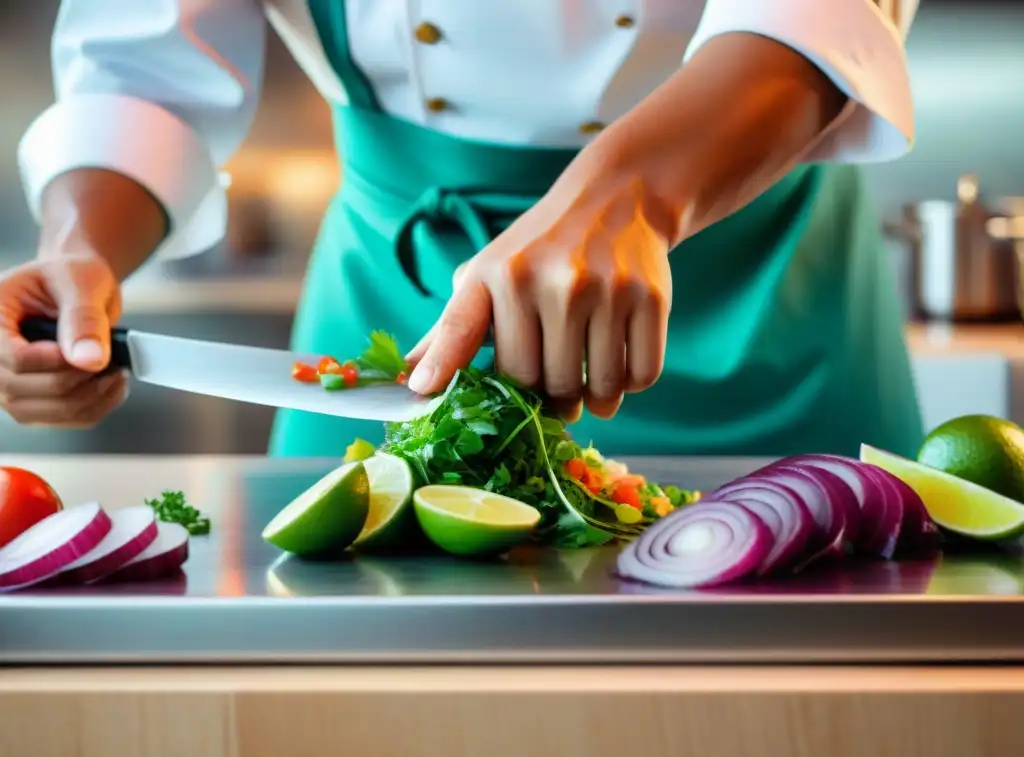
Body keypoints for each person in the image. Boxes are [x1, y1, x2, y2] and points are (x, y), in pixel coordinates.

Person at [2, 1, 923, 459]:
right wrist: (77, 249)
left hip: (759, 309)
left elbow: (825, 15)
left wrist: (633, 198)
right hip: (395, 331)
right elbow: (146, 62)